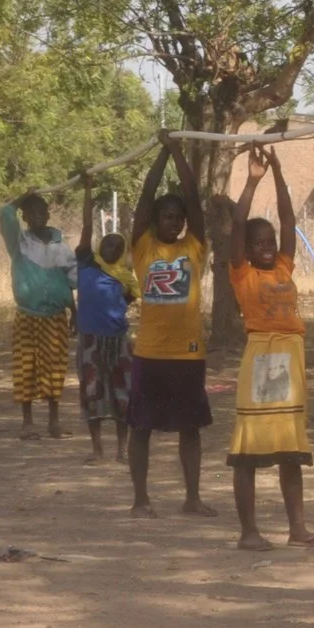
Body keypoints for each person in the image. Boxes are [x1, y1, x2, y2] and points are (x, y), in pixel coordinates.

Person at [227, 146, 314, 551]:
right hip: (261, 358)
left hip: (291, 357)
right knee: (249, 448)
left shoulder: (285, 267)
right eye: (259, 243)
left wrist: (279, 173)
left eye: (270, 241)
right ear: (248, 250)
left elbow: (289, 219)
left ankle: (298, 529)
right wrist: (253, 180)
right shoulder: (242, 275)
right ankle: (249, 532)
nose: (267, 246)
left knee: (291, 447)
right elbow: (238, 224)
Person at [125, 138, 214, 516]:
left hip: (188, 353)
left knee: (189, 428)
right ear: (156, 220)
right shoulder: (142, 247)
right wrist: (163, 152)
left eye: (179, 217)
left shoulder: (193, 247)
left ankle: (192, 498)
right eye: (168, 216)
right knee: (141, 428)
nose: (175, 221)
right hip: (150, 353)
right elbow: (145, 198)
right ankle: (141, 499)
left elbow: (195, 201)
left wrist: (180, 152)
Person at [0, 190, 75, 440]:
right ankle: (27, 423)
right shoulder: (19, 243)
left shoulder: (61, 247)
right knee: (25, 366)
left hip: (55, 316)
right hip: (27, 315)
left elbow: (71, 282)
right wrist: (22, 197)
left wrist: (75, 312)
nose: (38, 215)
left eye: (41, 210)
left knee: (54, 367)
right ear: (25, 216)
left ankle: (54, 421)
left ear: (48, 214)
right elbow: (5, 214)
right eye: (31, 212)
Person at [73, 177, 134, 461]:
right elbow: (86, 227)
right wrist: (87, 191)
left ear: (122, 251)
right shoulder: (87, 262)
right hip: (90, 340)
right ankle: (97, 450)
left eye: (116, 245)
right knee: (92, 392)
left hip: (118, 340)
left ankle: (122, 450)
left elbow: (126, 304)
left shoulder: (126, 278)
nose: (111, 247)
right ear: (100, 246)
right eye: (107, 243)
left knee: (123, 393)